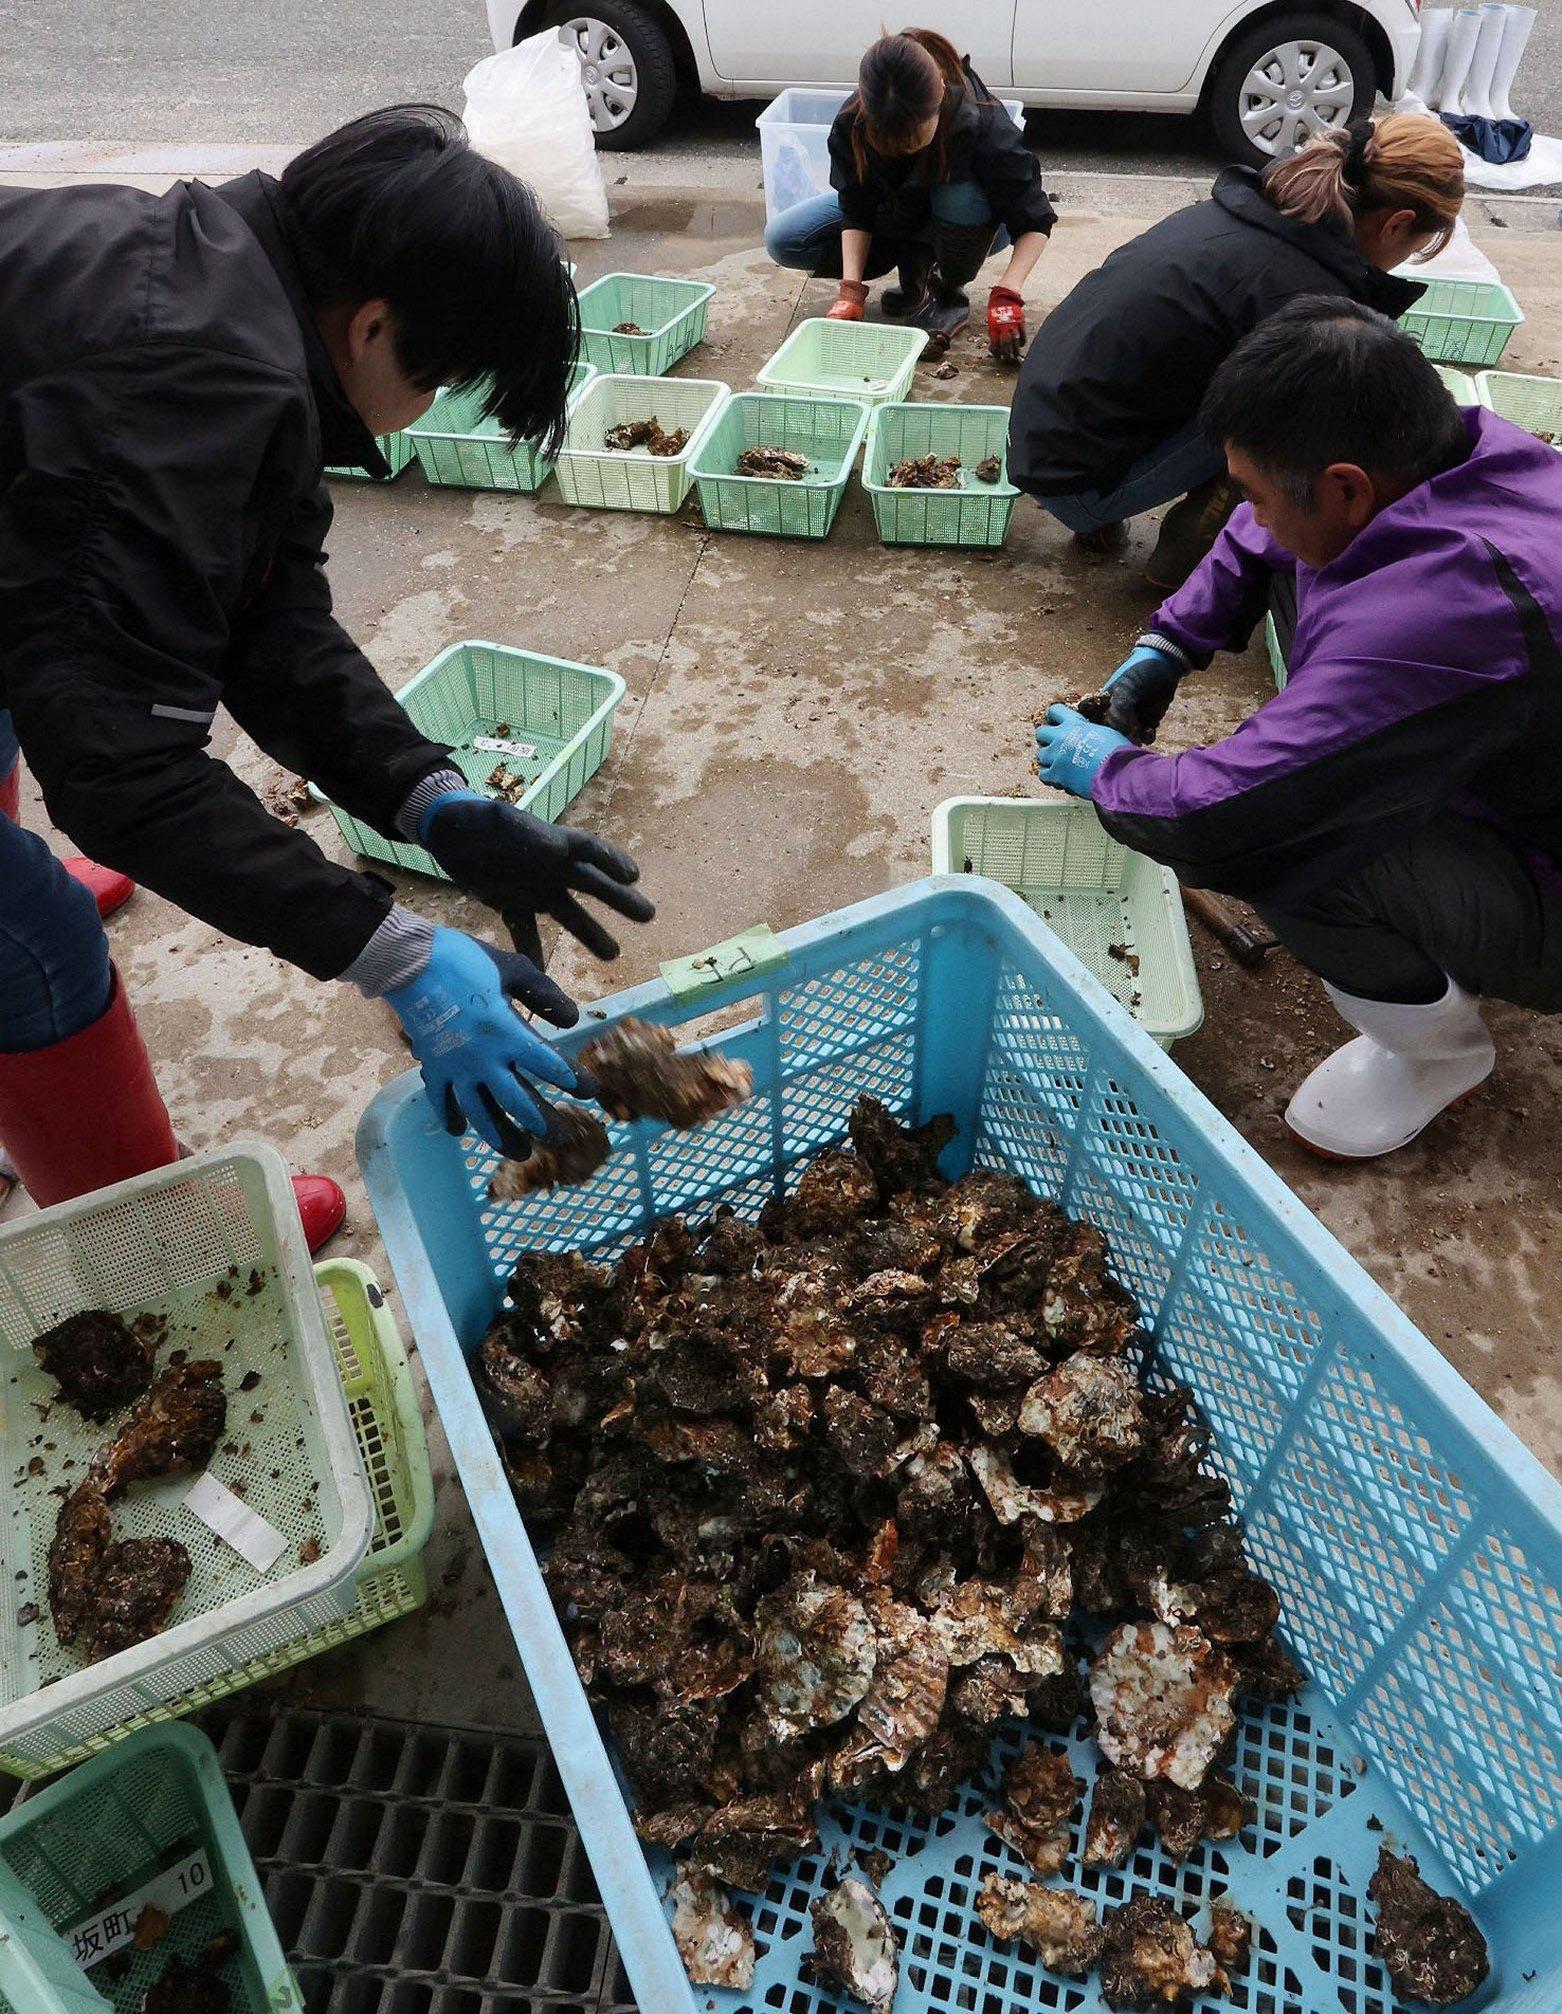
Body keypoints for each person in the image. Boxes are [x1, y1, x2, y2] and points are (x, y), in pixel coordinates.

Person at [0, 107, 653, 1239]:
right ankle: (154, 1254)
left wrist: (430, 798)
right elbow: (123, 775)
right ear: (374, 326)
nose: (430, 408)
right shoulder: (193, 379)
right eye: (444, 377)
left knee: (43, 685)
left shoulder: (248, 296)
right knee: (32, 936)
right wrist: (391, 952)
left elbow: (267, 619)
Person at [1036, 297, 1562, 1162]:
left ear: (1349, 485)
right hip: (1515, 757)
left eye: (1257, 489)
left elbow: (1218, 817)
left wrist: (1111, 773)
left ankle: (1435, 1057)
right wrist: (1169, 642)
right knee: (1297, 553)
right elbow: (1263, 524)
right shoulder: (1459, 450)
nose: (1250, 509)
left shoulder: (1448, 609)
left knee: (1293, 844)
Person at [1008, 115, 1465, 585]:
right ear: (1397, 225)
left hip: (1038, 433)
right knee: (1305, 425)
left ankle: (1111, 514)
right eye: (1420, 244)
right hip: (1074, 479)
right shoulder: (1305, 293)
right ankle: (1182, 562)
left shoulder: (1250, 213)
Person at [764, 29, 1055, 357]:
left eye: (914, 138)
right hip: (896, 212)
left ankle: (947, 291)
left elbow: (1034, 217)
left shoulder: (981, 121)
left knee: (957, 194)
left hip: (972, 223)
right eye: (888, 140)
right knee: (783, 239)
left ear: (941, 96)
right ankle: (915, 268)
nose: (905, 149)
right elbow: (856, 206)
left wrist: (1007, 294)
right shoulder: (853, 122)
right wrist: (850, 291)